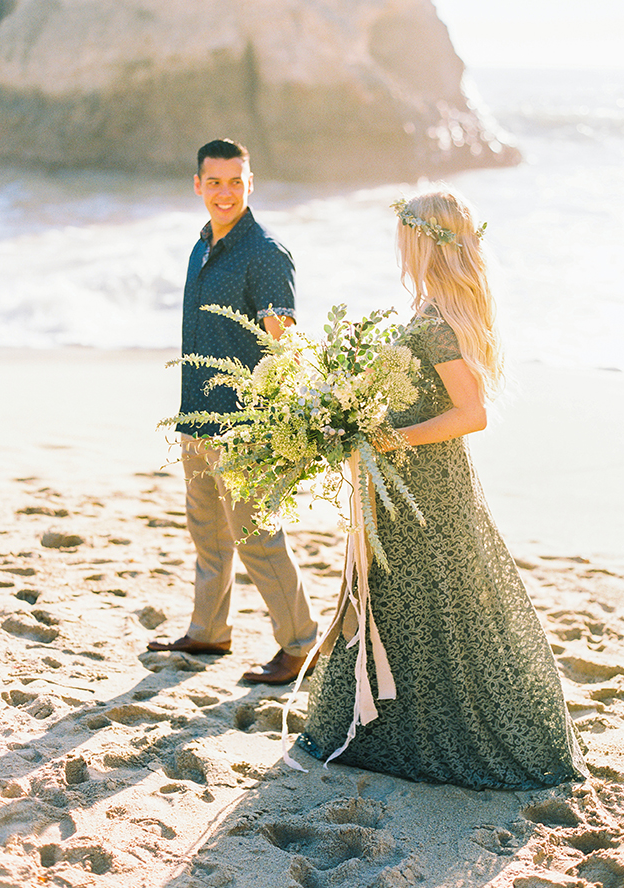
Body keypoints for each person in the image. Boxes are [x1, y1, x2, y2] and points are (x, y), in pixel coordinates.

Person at [296, 189, 588, 789]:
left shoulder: (437, 324)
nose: (398, 246)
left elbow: (471, 413)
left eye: (405, 235)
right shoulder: (435, 309)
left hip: (430, 484)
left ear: (422, 241)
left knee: (446, 606)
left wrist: (391, 440)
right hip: (418, 481)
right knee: (416, 604)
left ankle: (447, 738)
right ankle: (397, 730)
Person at [147, 138, 318, 685]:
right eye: (214, 182)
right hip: (197, 415)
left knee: (257, 539)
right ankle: (209, 631)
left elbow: (285, 344)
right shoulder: (202, 246)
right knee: (208, 534)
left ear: (251, 183)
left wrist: (283, 419)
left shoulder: (266, 253)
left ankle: (300, 644)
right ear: (198, 185)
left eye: (235, 182)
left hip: (245, 425)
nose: (224, 193)